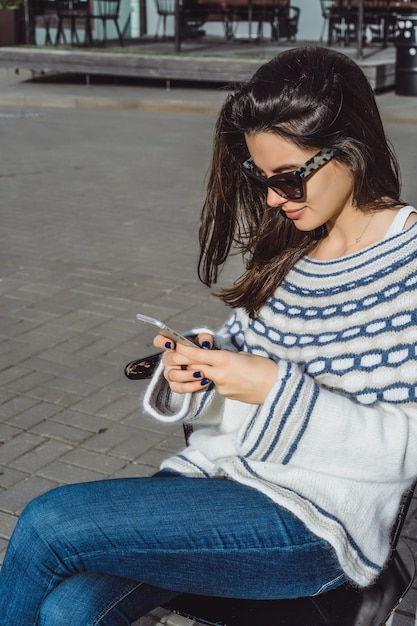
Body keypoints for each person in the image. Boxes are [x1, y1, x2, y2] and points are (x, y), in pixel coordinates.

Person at [1, 45, 417, 626]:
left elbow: (406, 451)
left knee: (50, 524)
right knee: (71, 607)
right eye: (260, 177)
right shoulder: (295, 249)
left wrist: (275, 390)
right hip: (225, 483)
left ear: (353, 148)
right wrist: (203, 375)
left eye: (289, 179)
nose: (274, 199)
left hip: (321, 527)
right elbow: (238, 382)